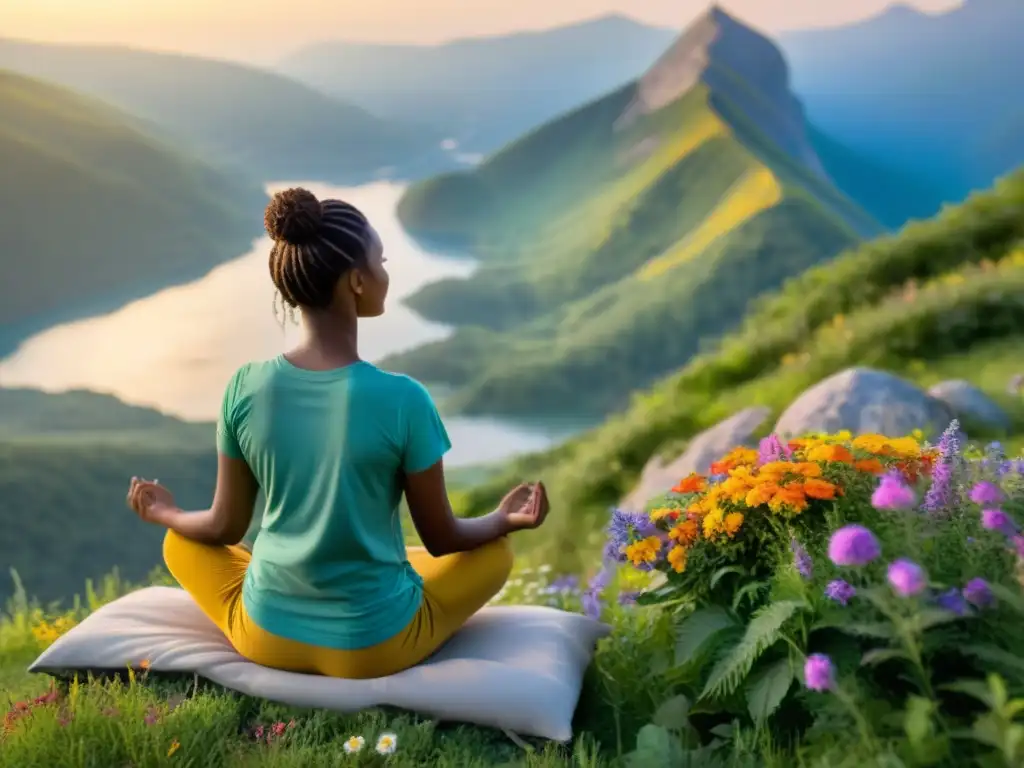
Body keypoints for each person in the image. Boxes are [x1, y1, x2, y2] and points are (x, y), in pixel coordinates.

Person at [125, 187, 550, 679]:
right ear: (356, 282)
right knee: (492, 553)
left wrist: (168, 512)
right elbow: (442, 537)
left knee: (180, 541)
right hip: (374, 648)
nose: (386, 273)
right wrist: (502, 519)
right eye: (381, 261)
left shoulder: (245, 385)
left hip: (265, 637)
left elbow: (224, 528)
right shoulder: (404, 399)